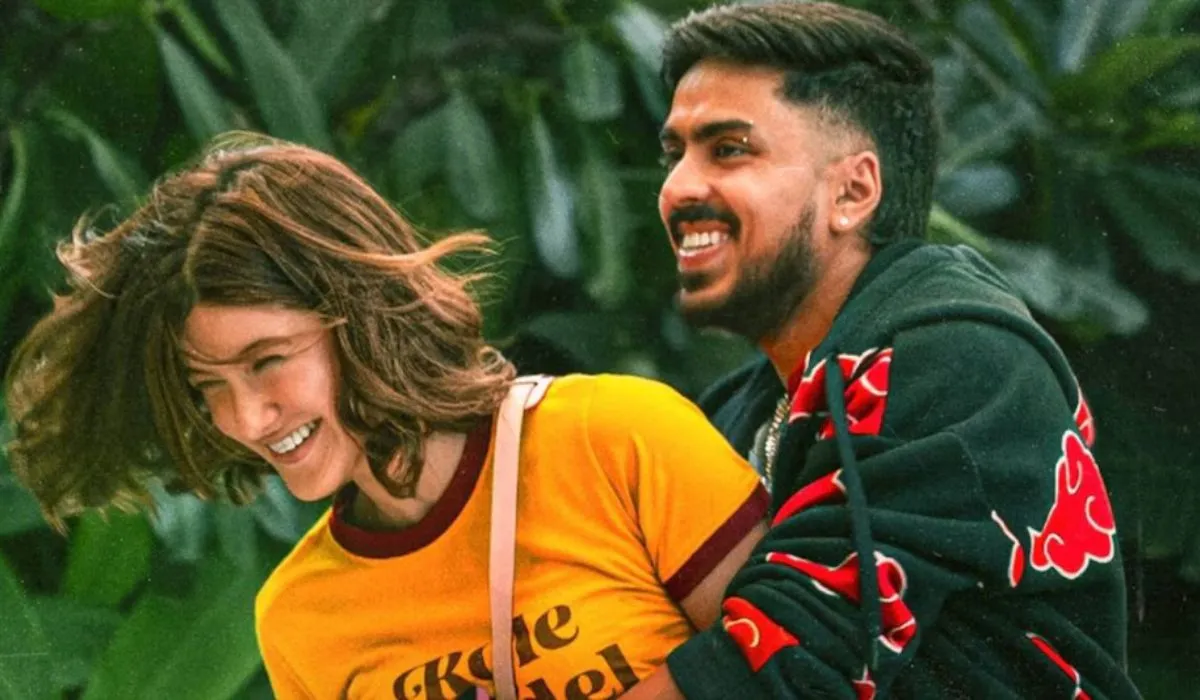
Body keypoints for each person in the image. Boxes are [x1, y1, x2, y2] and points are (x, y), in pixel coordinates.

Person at [2, 134, 770, 699]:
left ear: (360, 315)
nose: (247, 418)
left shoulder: (616, 437)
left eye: (268, 361)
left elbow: (793, 664)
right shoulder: (301, 619)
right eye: (209, 386)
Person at [623, 2, 1143, 698]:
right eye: (676, 154)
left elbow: (781, 669)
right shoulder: (737, 412)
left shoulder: (956, 359)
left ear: (853, 191)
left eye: (729, 149)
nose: (678, 187)